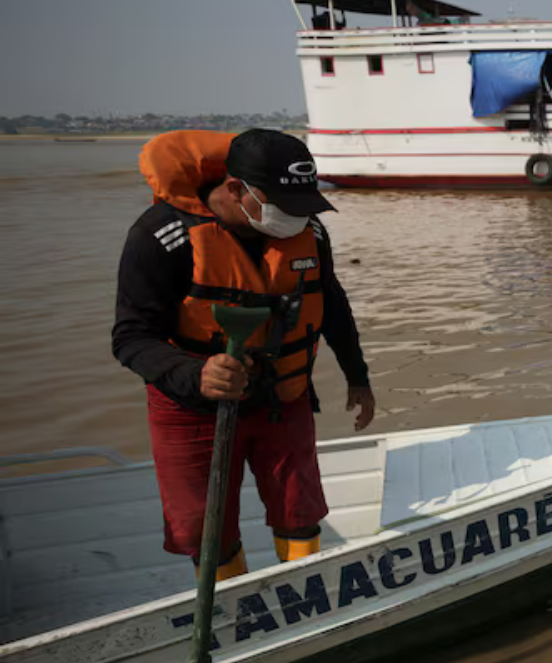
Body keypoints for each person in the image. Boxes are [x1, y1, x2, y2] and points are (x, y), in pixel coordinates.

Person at [112, 129, 375, 581]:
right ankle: (231, 606)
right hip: (194, 406)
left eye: (305, 205)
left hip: (283, 396)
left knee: (299, 507)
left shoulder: (308, 230)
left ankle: (303, 592)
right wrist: (196, 374)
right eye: (285, 206)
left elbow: (329, 301)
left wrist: (358, 376)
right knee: (204, 526)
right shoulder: (161, 237)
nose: (299, 218)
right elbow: (131, 338)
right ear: (236, 189)